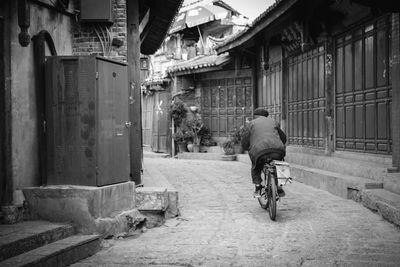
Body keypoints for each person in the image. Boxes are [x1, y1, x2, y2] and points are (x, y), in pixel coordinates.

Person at [241, 108, 287, 198]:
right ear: (266, 116)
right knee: (278, 163)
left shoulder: (252, 123)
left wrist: (246, 148)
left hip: (259, 152)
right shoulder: (273, 121)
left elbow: (245, 139)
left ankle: (258, 187)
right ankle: (279, 186)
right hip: (277, 151)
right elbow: (283, 138)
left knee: (256, 167)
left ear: (255, 116)